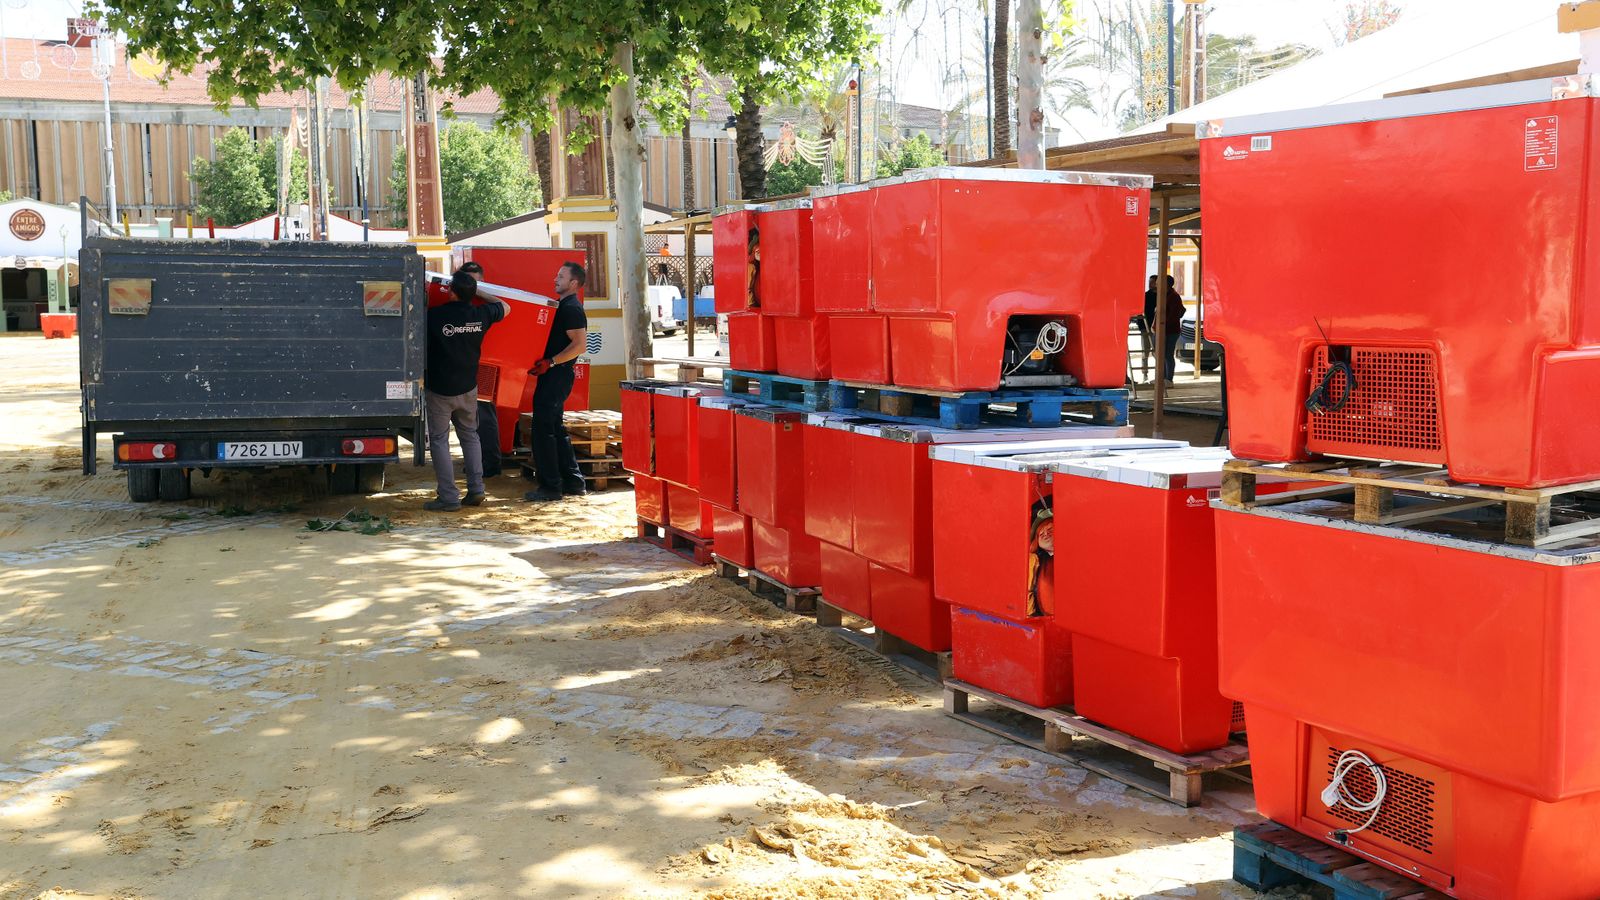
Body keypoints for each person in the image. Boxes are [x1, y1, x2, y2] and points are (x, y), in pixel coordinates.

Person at [423, 271, 509, 511]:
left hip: (440, 390)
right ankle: (476, 489)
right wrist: (476, 291)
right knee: (470, 436)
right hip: (468, 388)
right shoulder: (481, 314)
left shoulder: (434, 316)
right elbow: (506, 307)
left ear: (451, 292)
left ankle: (449, 497)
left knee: (440, 441)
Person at [524, 261, 589, 502]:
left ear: (573, 283)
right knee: (555, 428)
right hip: (554, 374)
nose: (555, 279)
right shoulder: (564, 306)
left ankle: (550, 487)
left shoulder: (571, 308)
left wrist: (551, 362)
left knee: (543, 430)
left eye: (560, 276)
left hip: (557, 375)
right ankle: (573, 482)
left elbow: (580, 345)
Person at [451, 261, 506, 479]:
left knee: (484, 416)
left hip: (485, 367)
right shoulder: (467, 308)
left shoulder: (484, 306)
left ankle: (490, 463)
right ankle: (477, 462)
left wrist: (478, 291)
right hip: (465, 369)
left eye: (475, 282)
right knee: (467, 421)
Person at [1143, 273, 1184, 385]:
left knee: (1167, 354)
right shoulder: (1163, 295)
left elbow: (1172, 316)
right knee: (1160, 354)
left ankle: (1168, 379)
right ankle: (1161, 377)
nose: (1156, 284)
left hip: (1169, 331)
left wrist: (1161, 326)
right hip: (1160, 330)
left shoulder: (1173, 297)